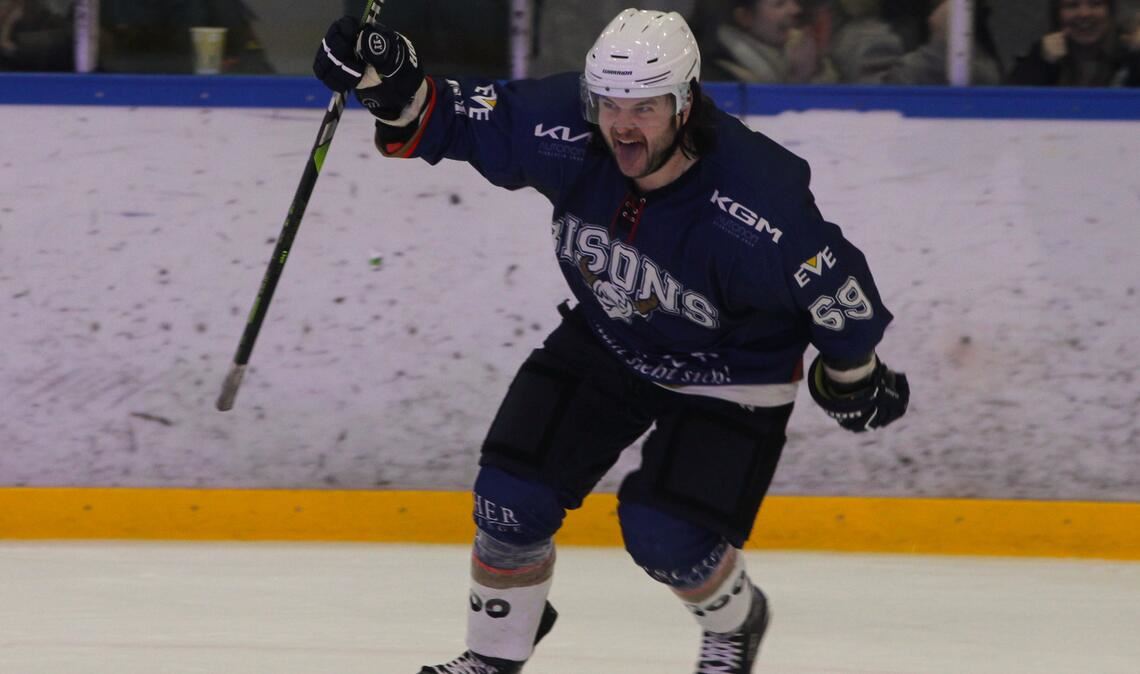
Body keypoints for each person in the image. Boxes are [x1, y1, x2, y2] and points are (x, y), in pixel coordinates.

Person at [314, 8, 909, 673]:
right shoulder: (566, 123)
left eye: (646, 107)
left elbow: (836, 295)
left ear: (686, 102)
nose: (622, 124)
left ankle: (739, 620)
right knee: (509, 500)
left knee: (666, 536)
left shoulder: (755, 198)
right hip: (611, 331)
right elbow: (440, 114)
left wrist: (855, 376)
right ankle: (494, 654)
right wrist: (384, 74)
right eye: (610, 103)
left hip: (730, 369)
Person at [1009, 0, 1140, 86]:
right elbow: (1009, 108)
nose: (1084, 13)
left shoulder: (1129, 56)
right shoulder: (1039, 57)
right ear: (1057, 14)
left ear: (1110, 12)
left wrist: (1137, 57)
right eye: (1072, 5)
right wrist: (1042, 64)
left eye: (1095, 4)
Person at [702, 0, 837, 82]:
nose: (796, 10)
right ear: (745, 17)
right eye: (779, 4)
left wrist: (814, 71)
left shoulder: (792, 57)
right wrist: (799, 79)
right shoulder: (717, 75)